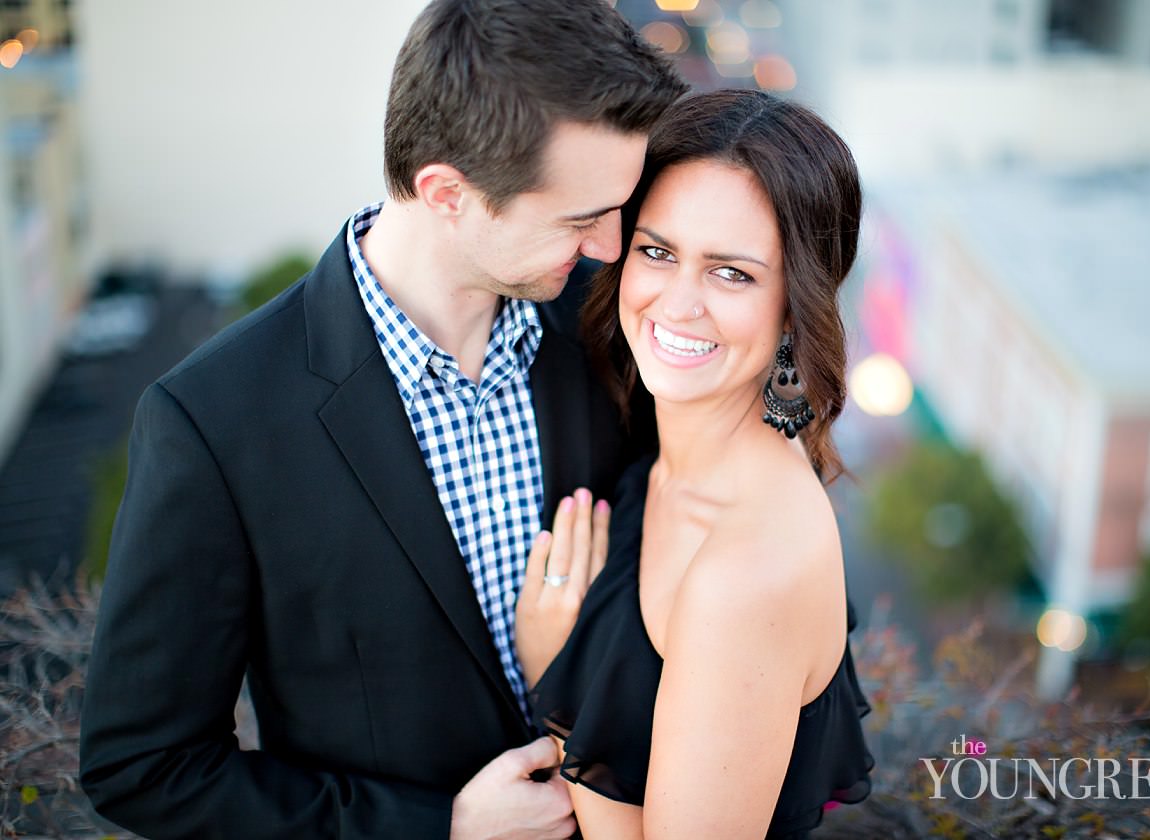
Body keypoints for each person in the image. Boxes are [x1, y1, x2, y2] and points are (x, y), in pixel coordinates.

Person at [78, 1, 685, 837]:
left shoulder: (613, 326)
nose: (613, 249)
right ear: (446, 193)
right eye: (580, 219)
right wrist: (443, 830)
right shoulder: (213, 424)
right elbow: (143, 767)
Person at [517, 89, 875, 839]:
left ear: (794, 306)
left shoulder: (745, 574)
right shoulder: (666, 452)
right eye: (658, 251)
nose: (677, 304)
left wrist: (557, 669)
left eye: (732, 273)